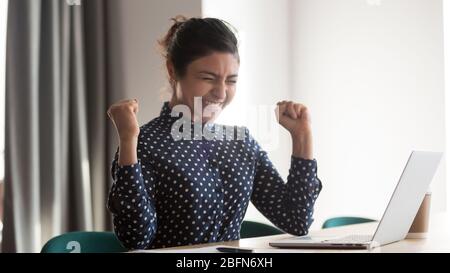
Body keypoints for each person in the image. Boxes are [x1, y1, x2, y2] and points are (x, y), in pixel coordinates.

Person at [106, 16, 322, 250]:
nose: (221, 93)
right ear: (173, 71)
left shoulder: (242, 143)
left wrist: (302, 137)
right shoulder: (145, 143)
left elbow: (296, 221)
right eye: (208, 78)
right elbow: (136, 239)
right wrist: (128, 140)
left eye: (231, 80)